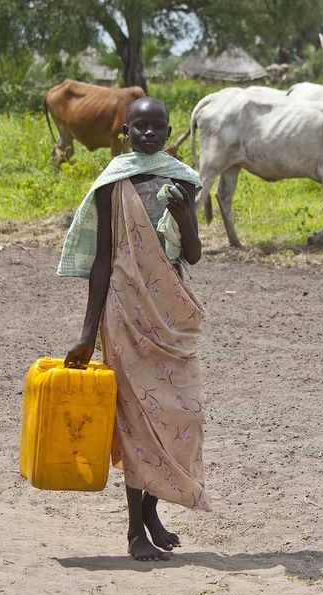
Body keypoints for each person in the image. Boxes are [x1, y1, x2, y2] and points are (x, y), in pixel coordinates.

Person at [60, 96, 211, 561]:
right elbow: (103, 261)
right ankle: (134, 532)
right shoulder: (114, 182)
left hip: (170, 311)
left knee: (182, 415)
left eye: (156, 127)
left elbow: (192, 254)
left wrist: (186, 216)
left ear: (169, 134)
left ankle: (152, 510)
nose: (147, 134)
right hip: (124, 311)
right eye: (139, 126)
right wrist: (87, 333)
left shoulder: (182, 180)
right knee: (134, 421)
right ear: (124, 131)